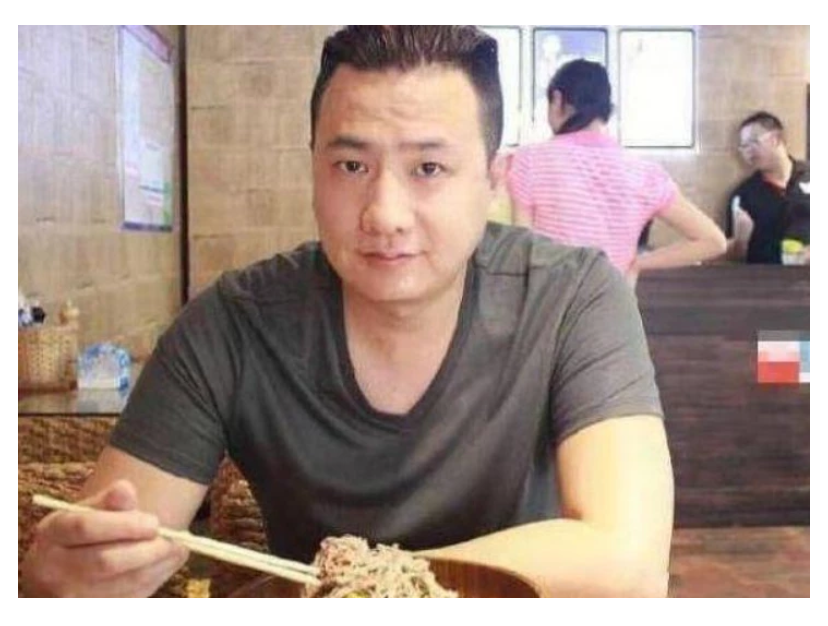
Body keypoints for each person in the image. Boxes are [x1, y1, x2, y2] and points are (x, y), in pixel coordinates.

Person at [21, 26, 673, 598]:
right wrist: (62, 584)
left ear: (491, 181)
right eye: (352, 165)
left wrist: (372, 583)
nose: (385, 214)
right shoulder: (231, 325)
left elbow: (629, 565)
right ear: (313, 167)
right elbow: (113, 543)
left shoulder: (575, 297)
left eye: (429, 167)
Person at [508, 59, 726, 287]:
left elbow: (522, 253)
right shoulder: (644, 173)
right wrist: (639, 263)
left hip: (550, 303)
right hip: (614, 303)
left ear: (557, 99)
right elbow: (714, 241)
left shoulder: (529, 160)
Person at [725, 111, 810, 264]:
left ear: (777, 139)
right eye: (743, 146)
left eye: (753, 142)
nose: (748, 151)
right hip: (766, 277)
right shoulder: (743, 196)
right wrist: (740, 241)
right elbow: (735, 258)